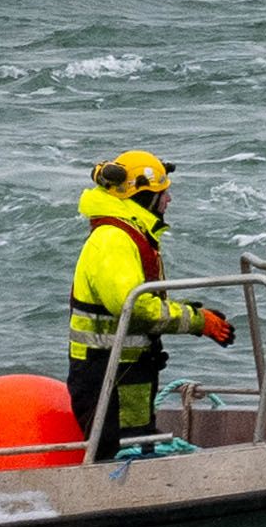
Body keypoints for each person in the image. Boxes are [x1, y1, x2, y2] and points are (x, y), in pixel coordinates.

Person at [64, 147, 240, 454]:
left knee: (135, 446)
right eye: (163, 193)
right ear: (144, 197)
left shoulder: (128, 234)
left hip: (123, 372)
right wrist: (198, 322)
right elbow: (133, 306)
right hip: (107, 375)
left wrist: (196, 314)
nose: (169, 200)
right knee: (117, 454)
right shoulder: (113, 240)